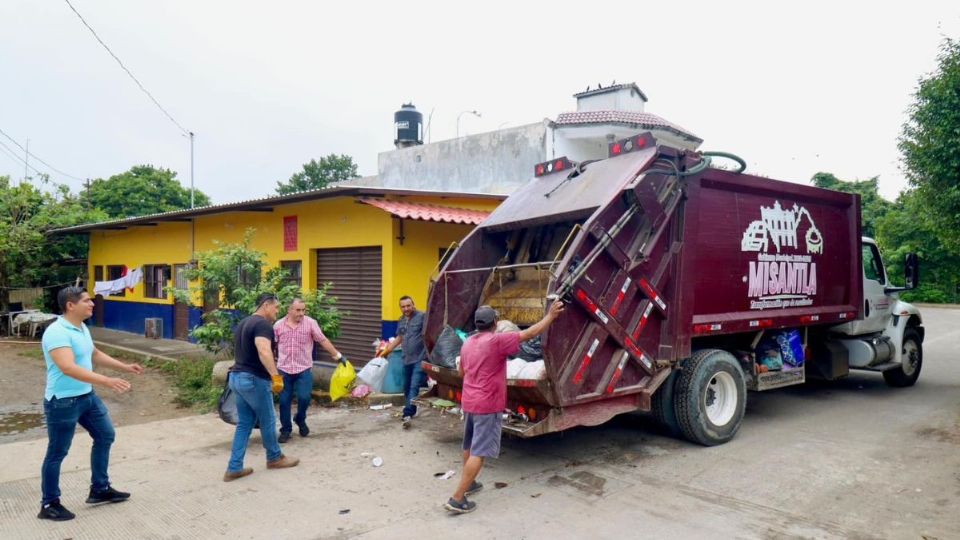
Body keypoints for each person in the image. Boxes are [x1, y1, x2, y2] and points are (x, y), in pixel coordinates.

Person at [444, 300, 564, 514]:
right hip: (487, 403)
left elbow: (462, 373)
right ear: (495, 323)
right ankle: (457, 498)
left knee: (469, 445)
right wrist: (551, 316)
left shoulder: (468, 343)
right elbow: (528, 334)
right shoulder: (496, 341)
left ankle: (470, 483)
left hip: (470, 400)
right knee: (479, 452)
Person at [38, 287, 145, 521]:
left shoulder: (81, 327)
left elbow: (93, 354)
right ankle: (49, 504)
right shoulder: (56, 332)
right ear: (70, 305)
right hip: (63, 402)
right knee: (57, 452)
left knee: (105, 435)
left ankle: (100, 489)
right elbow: (68, 367)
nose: (92, 304)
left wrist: (124, 367)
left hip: (87, 396)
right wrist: (107, 380)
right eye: (87, 301)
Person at [224, 293, 299, 482]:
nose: (277, 311)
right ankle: (274, 458)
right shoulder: (263, 325)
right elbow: (263, 350)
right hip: (253, 379)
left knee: (244, 424)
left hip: (237, 378)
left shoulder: (245, 322)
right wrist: (275, 376)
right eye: (276, 307)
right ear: (266, 305)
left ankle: (234, 468)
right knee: (268, 419)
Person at [274, 297, 346, 443]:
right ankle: (286, 430)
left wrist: (338, 356)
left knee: (304, 397)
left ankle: (300, 419)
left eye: (303, 310)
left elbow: (322, 340)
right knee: (284, 401)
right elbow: (271, 346)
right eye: (298, 310)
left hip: (303, 369)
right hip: (284, 370)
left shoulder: (311, 323)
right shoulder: (278, 325)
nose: (301, 313)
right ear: (289, 310)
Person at [379, 295, 427, 429]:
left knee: (414, 385)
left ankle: (407, 414)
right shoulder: (401, 320)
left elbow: (430, 333)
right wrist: (387, 350)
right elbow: (399, 338)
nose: (406, 308)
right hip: (406, 358)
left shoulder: (422, 317)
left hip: (420, 358)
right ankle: (412, 409)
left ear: (413, 305)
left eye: (408, 306)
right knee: (406, 387)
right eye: (403, 306)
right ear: (400, 307)